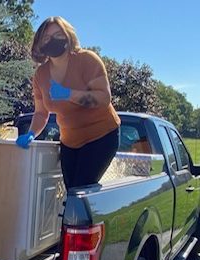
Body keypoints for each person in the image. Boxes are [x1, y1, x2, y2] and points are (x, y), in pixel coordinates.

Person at [16, 16, 121, 190]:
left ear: (68, 36)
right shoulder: (41, 75)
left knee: (80, 190)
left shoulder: (87, 59)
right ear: (40, 44)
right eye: (47, 38)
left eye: (58, 35)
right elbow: (41, 113)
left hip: (101, 136)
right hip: (70, 141)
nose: (53, 41)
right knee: (70, 191)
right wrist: (31, 133)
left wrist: (68, 94)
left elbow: (103, 98)